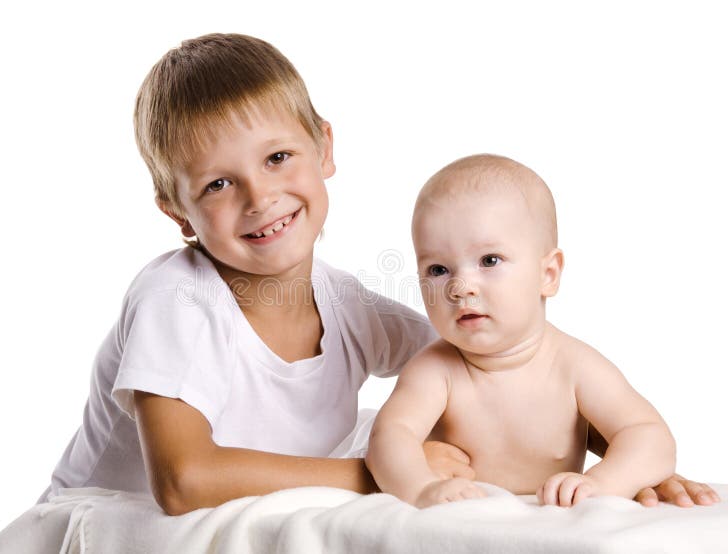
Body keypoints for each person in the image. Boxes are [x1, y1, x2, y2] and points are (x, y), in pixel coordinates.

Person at [39, 35, 716, 515]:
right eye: (218, 183)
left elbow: (496, 372)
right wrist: (377, 477)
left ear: (324, 148)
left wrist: (629, 465)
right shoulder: (176, 301)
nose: (260, 198)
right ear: (176, 211)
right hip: (108, 528)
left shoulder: (345, 305)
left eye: (278, 157)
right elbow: (183, 482)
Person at [366, 154, 721, 508]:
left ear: (548, 274)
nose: (459, 287)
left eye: (489, 260)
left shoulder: (574, 366)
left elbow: (650, 436)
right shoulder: (435, 371)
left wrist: (601, 483)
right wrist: (421, 488)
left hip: (551, 525)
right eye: (438, 269)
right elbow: (390, 437)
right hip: (468, 521)